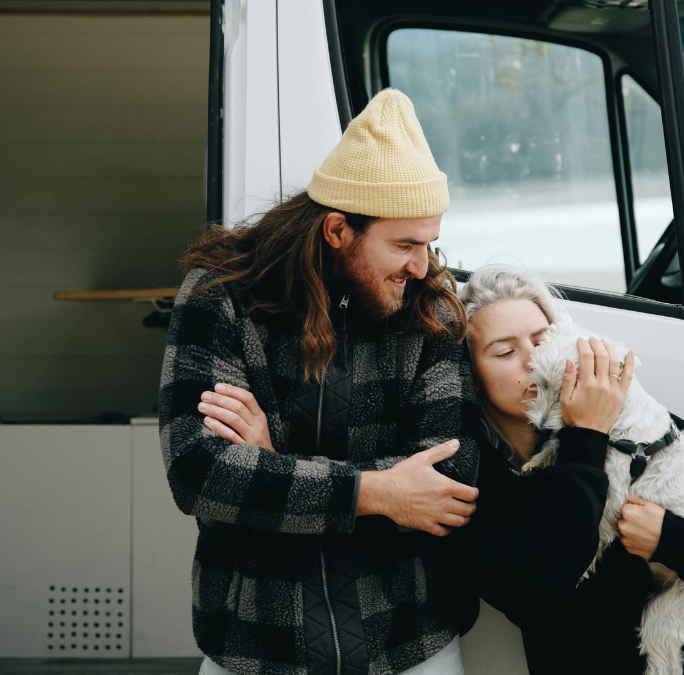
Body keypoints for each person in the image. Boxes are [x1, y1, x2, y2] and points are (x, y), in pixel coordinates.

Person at [158, 89, 481, 675]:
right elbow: (199, 473)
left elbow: (446, 484)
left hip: (409, 643)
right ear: (338, 230)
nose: (422, 265)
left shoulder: (432, 305)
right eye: (404, 244)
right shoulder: (222, 296)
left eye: (430, 242)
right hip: (255, 645)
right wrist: (379, 493)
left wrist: (273, 462)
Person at [444, 264, 684, 674]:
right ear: (470, 376)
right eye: (505, 352)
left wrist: (671, 538)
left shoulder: (632, 422)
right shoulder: (470, 481)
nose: (535, 361)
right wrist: (586, 436)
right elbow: (532, 592)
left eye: (544, 341)